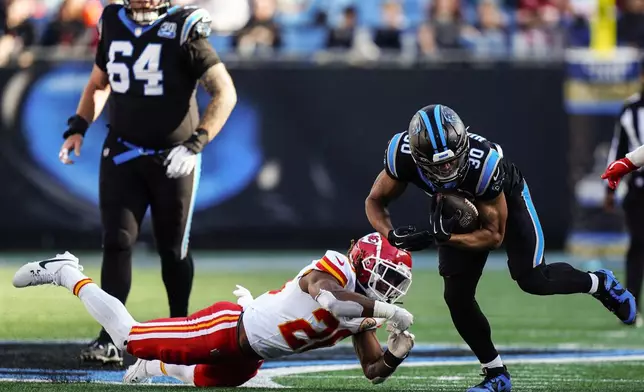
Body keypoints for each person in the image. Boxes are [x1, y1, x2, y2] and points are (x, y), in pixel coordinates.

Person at [365, 104, 637, 392]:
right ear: (418, 158)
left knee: (533, 278)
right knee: (456, 296)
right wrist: (391, 235)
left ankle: (600, 283)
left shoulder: (484, 166)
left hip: (504, 199)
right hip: (456, 207)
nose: (447, 168)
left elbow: (494, 236)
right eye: (437, 165)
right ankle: (496, 374)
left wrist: (441, 239)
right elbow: (374, 200)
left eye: (451, 161)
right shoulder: (402, 155)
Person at [57, 0, 237, 364]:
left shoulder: (185, 26)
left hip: (173, 157)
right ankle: (110, 336)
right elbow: (99, 82)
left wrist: (196, 142)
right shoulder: (112, 20)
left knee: (172, 251)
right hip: (122, 152)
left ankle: (180, 329)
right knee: (117, 242)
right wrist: (79, 125)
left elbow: (224, 91)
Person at [12, 232, 415, 387]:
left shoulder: (364, 314)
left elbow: (373, 373)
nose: (390, 288)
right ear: (362, 261)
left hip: (251, 356)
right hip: (226, 328)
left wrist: (395, 354)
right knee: (130, 338)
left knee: (204, 379)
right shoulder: (337, 271)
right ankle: (66, 272)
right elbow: (328, 296)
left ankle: (153, 369)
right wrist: (387, 312)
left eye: (394, 283)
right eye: (386, 275)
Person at [602, 90, 644, 326]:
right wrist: (626, 163)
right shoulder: (631, 108)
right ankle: (632, 306)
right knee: (638, 244)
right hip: (638, 187)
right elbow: (619, 146)